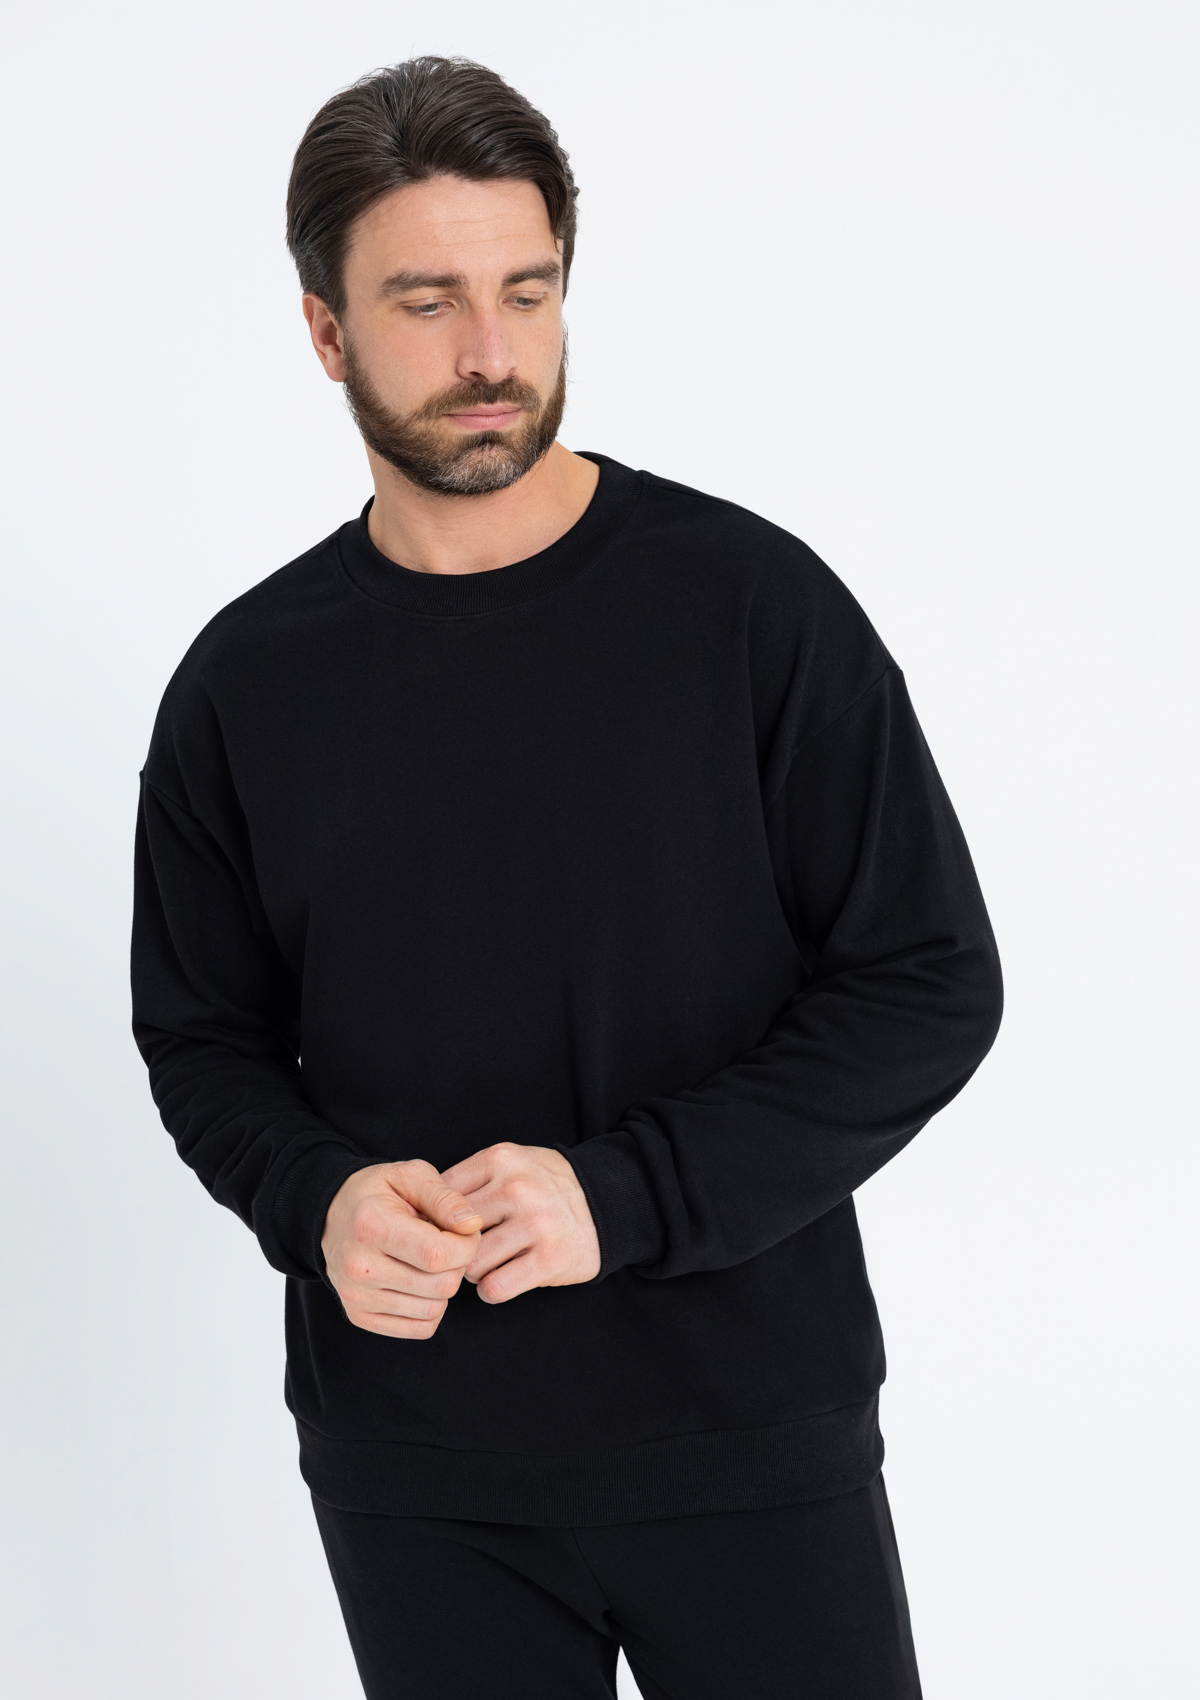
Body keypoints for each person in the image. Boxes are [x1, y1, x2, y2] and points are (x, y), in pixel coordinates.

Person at [130, 54, 1002, 1700]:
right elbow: (204, 1040)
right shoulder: (246, 685)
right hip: (416, 1472)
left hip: (750, 1435)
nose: (490, 353)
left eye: (526, 292)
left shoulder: (751, 609)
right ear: (326, 332)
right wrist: (317, 1200)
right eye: (428, 301)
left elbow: (927, 981)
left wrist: (625, 1197)